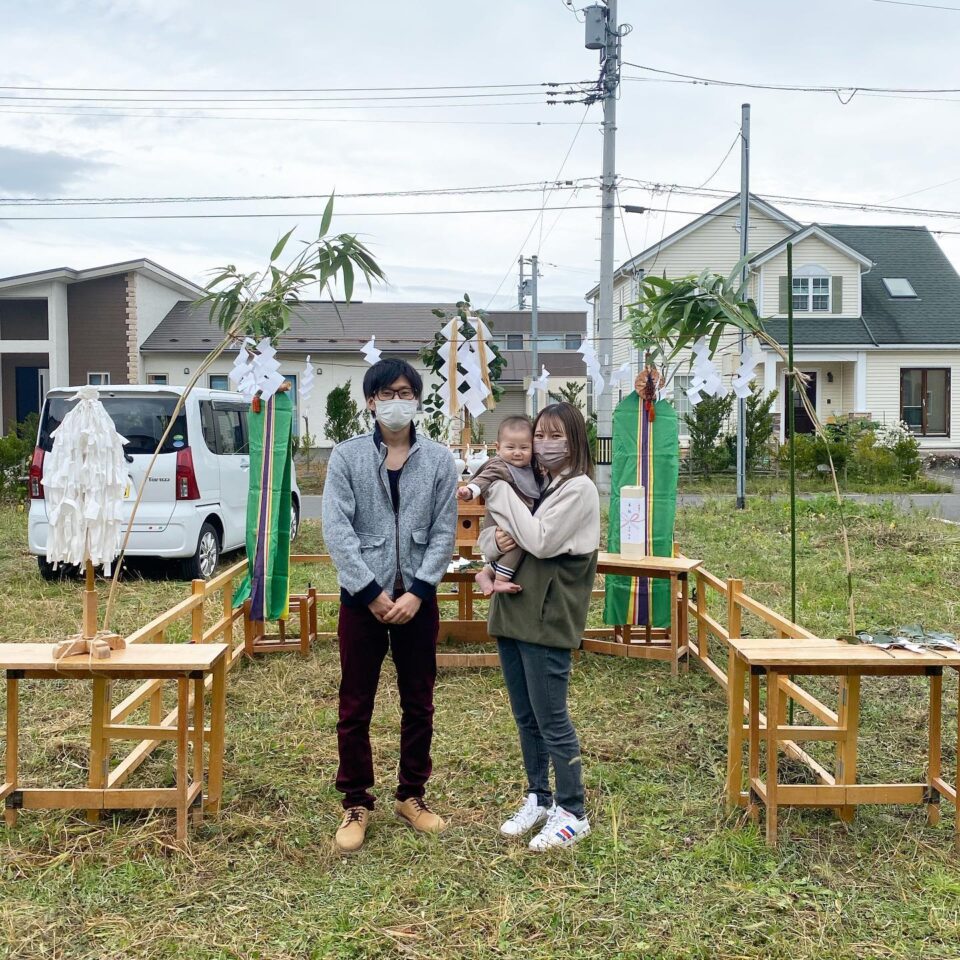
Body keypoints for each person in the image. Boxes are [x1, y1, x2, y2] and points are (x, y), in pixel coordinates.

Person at [322, 358, 458, 854]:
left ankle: (412, 795)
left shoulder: (440, 460)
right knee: (356, 703)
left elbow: (444, 532)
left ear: (416, 400)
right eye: (386, 393)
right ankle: (356, 801)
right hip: (363, 601)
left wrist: (417, 592)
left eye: (405, 392)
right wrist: (372, 594)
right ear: (371, 401)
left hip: (417, 600)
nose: (396, 401)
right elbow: (337, 531)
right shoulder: (347, 457)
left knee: (418, 701)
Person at [478, 402, 600, 851]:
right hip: (513, 612)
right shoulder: (538, 484)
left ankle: (573, 810)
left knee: (552, 718)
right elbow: (490, 538)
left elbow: (540, 540)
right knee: (526, 716)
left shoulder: (578, 489)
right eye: (540, 435)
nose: (545, 445)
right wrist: (493, 545)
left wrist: (495, 484)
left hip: (548, 618)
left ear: (575, 441)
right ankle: (539, 797)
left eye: (556, 436)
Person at [456, 416, 542, 596]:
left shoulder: (530, 469)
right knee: (518, 542)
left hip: (512, 519)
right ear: (498, 448)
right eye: (510, 447)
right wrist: (469, 491)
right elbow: (484, 478)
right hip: (497, 520)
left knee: (516, 542)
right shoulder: (501, 466)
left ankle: (486, 574)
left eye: (524, 448)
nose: (517, 452)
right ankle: (500, 580)